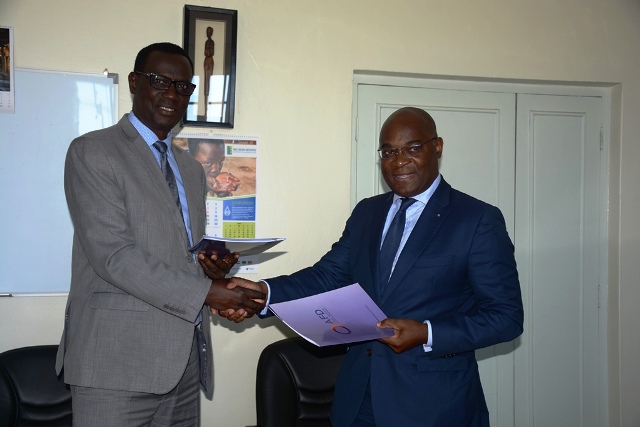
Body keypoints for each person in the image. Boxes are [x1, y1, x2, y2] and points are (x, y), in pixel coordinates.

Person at [206, 107, 524, 426]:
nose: (399, 161)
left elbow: (506, 317)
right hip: (358, 399)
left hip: (432, 405)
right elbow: (328, 275)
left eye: (413, 148)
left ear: (437, 147)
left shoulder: (477, 220)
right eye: (389, 151)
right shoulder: (367, 213)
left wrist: (426, 332)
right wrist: (263, 293)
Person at [55, 42, 264, 427]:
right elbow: (114, 257)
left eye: (183, 87)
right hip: (114, 365)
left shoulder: (191, 168)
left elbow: (183, 253)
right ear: (134, 82)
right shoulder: (93, 151)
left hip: (182, 364)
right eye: (160, 81)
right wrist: (206, 292)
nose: (172, 94)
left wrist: (212, 270)